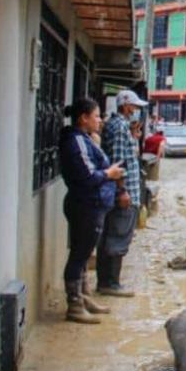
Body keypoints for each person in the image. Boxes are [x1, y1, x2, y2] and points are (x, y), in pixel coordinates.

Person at [59, 97, 125, 323]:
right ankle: (75, 306)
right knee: (79, 255)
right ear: (83, 118)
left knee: (83, 254)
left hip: (91, 205)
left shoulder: (84, 139)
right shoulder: (76, 141)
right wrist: (109, 174)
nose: (100, 120)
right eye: (96, 116)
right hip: (86, 205)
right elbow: (87, 177)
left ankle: (83, 296)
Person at [99, 90, 147, 297]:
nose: (136, 111)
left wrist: (134, 137)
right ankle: (110, 283)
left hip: (124, 192)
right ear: (125, 105)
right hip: (124, 195)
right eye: (134, 107)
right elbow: (118, 161)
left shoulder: (121, 127)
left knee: (114, 236)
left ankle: (107, 281)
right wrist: (122, 191)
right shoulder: (119, 128)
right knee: (118, 236)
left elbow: (128, 155)